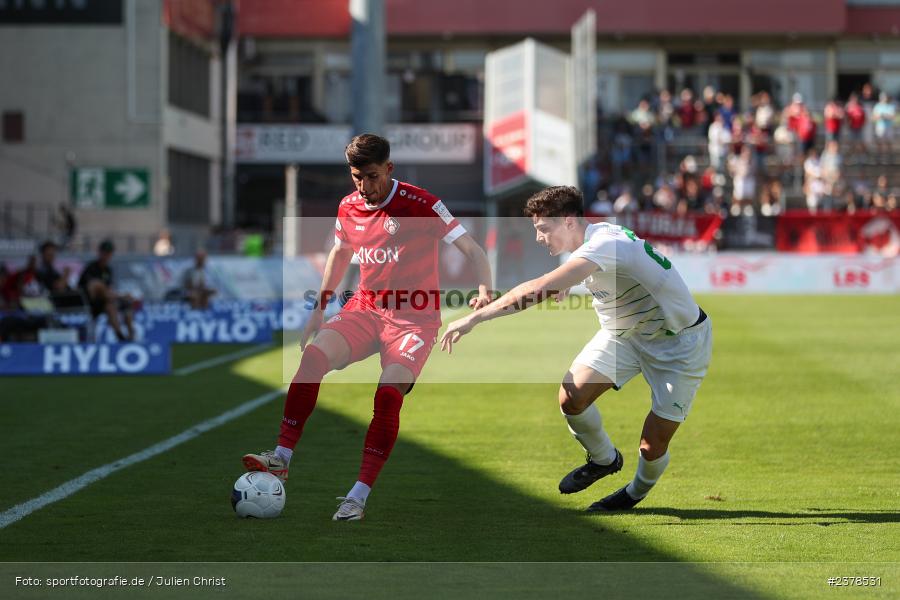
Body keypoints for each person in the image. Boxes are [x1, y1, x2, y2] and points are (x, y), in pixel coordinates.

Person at [242, 133, 493, 521]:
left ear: (389, 169)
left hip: (414, 317)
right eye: (357, 177)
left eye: (372, 176)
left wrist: (483, 289)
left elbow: (472, 250)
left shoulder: (422, 204)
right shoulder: (348, 206)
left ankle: (357, 496)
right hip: (364, 309)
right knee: (313, 358)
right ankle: (281, 458)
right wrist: (318, 310)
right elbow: (340, 255)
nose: (365, 186)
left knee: (388, 396)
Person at [440, 186, 712, 512]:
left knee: (652, 446)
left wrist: (475, 319)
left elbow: (538, 288)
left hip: (678, 344)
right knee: (571, 395)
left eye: (543, 229)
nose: (540, 239)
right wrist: (569, 282)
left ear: (569, 222)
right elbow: (593, 272)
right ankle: (603, 459)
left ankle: (634, 493)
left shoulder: (605, 244)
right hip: (624, 336)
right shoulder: (590, 240)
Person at [77, 240, 134, 341]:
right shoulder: (91, 267)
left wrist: (116, 296)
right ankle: (120, 335)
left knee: (125, 304)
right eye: (105, 252)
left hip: (105, 301)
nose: (106, 256)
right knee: (108, 301)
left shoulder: (108, 270)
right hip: (90, 303)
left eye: (109, 253)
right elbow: (94, 289)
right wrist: (117, 295)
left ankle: (130, 336)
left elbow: (109, 289)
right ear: (99, 252)